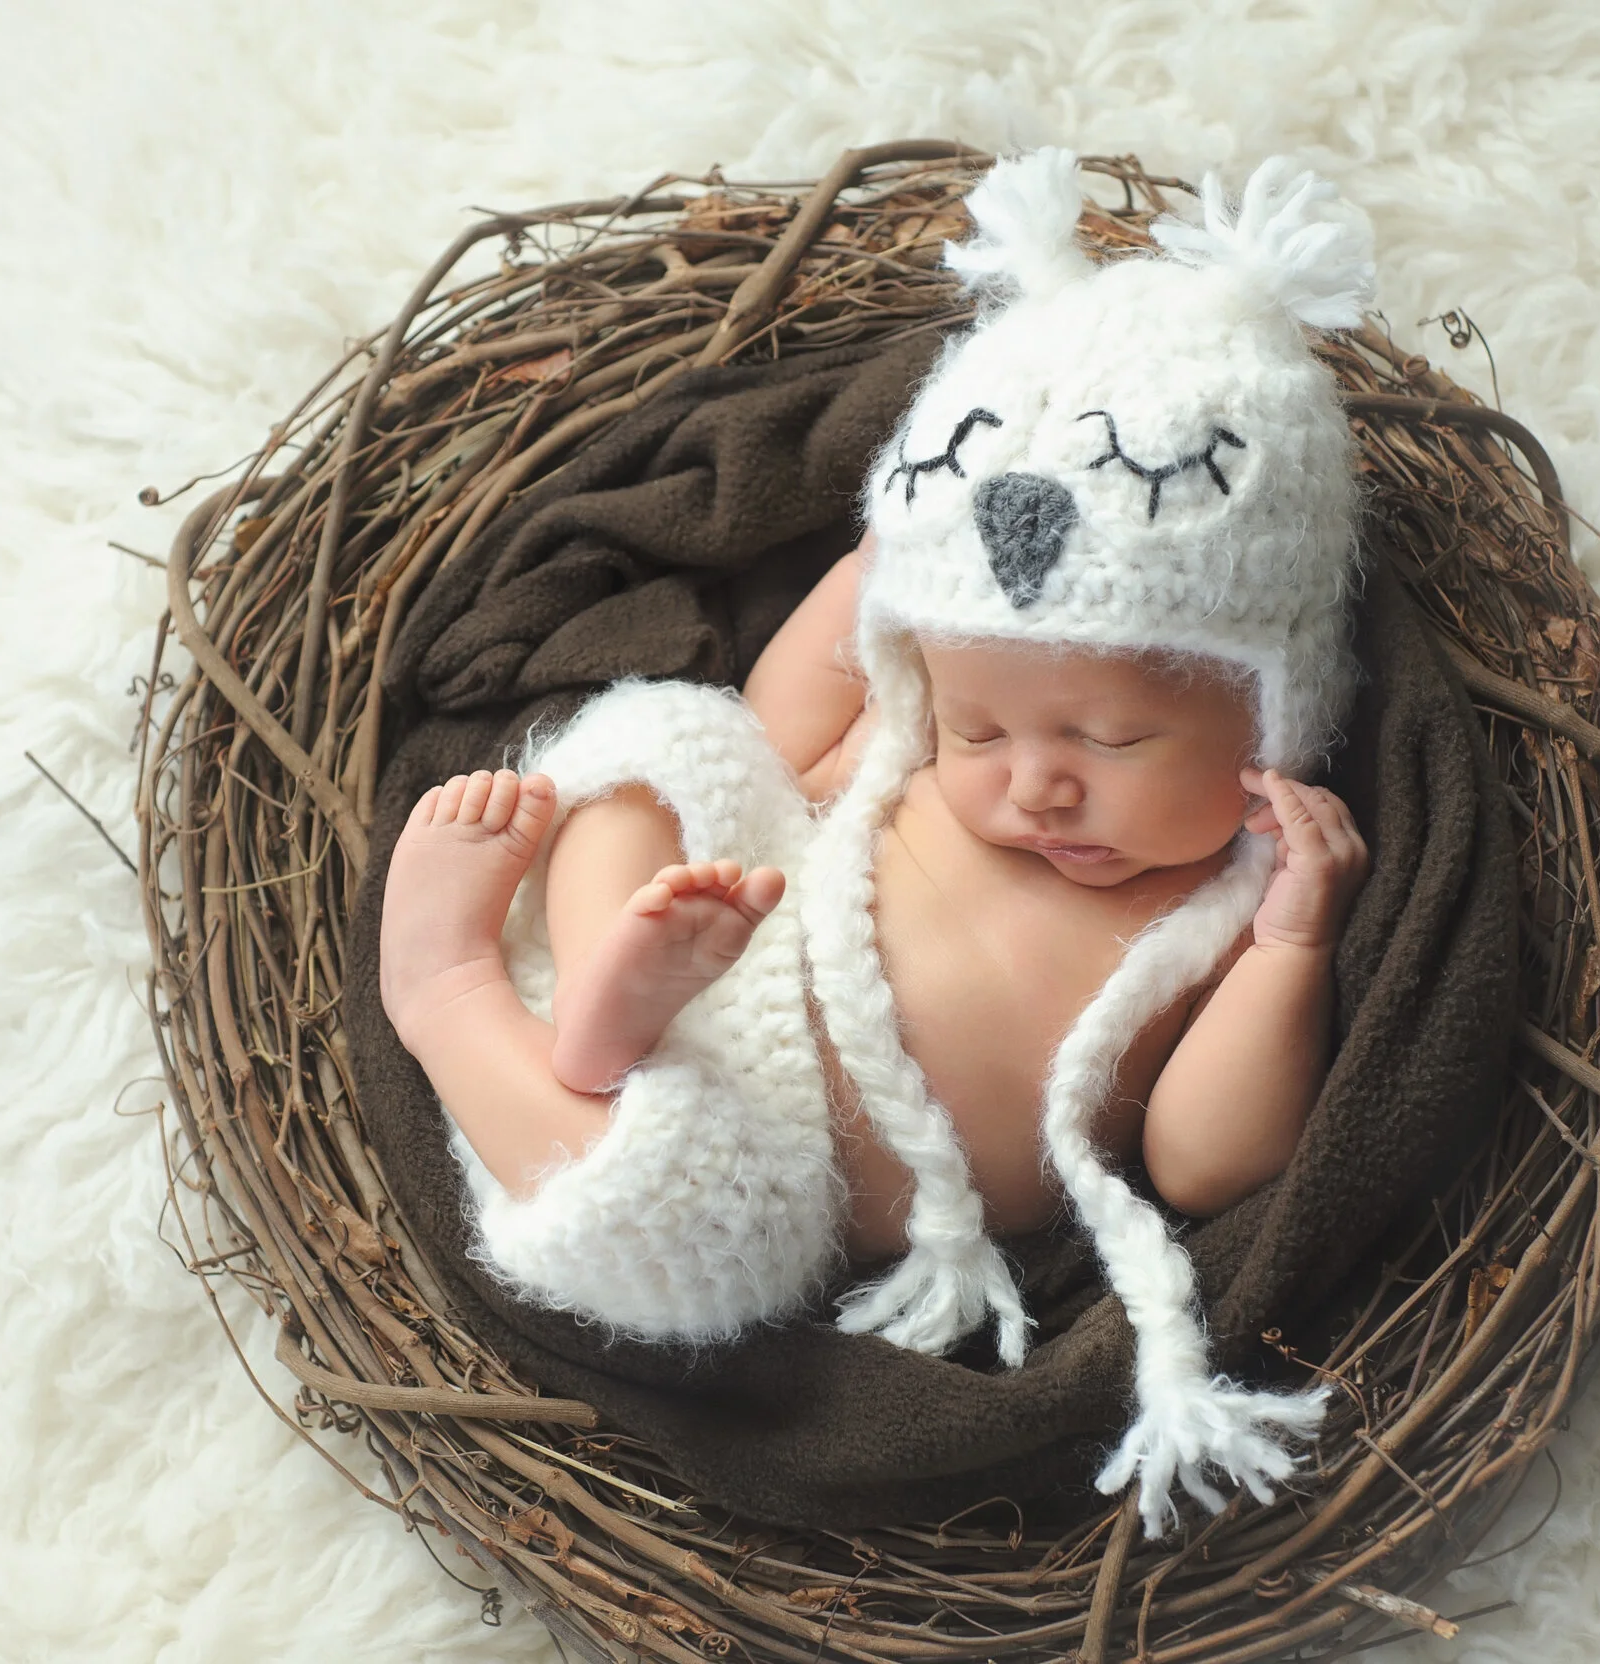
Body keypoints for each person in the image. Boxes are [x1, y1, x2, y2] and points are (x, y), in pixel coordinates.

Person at [378, 149, 1378, 1537]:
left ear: (1270, 718)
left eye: (1112, 741)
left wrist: (1292, 949)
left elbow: (1206, 1167)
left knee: (684, 1238)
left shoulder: (1233, 902)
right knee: (677, 735)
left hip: (765, 1167)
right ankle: (598, 994)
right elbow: (776, 736)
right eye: (981, 726)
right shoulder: (899, 751)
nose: (1036, 786)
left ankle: (446, 993)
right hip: (734, 934)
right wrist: (891, 571)